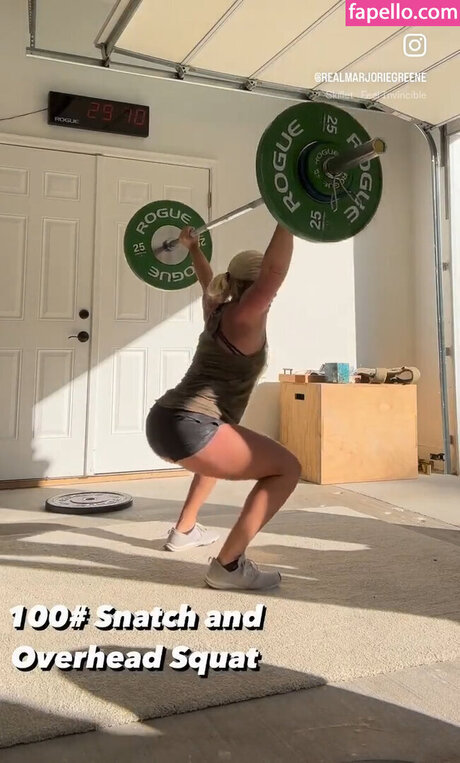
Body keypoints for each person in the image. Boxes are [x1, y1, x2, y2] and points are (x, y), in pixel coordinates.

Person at [145, 221, 301, 590]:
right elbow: (274, 273)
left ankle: (184, 530)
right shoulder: (246, 317)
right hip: (191, 426)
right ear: (256, 287)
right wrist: (289, 216)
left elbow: (206, 280)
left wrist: (193, 248)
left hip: (164, 421)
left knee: (222, 448)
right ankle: (228, 566)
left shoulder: (216, 308)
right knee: (288, 469)